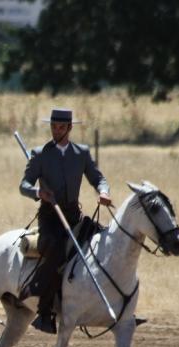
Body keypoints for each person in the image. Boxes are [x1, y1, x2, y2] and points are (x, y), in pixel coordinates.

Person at [19, 107, 112, 334]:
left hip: (73, 216)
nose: (56, 130)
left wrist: (104, 192)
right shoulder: (40, 154)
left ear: (69, 128)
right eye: (53, 126)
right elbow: (24, 185)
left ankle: (116, 304)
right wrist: (38, 192)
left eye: (61, 127)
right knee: (56, 248)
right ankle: (44, 312)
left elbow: (98, 178)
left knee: (105, 244)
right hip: (50, 217)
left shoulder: (81, 153)